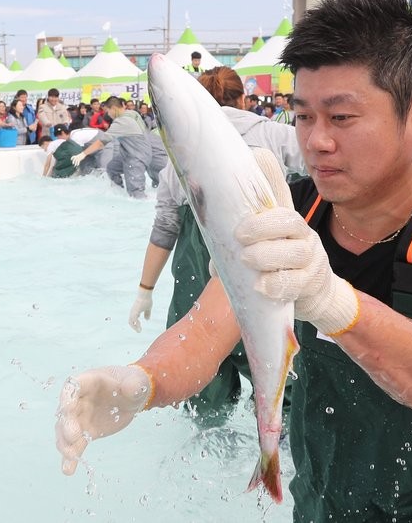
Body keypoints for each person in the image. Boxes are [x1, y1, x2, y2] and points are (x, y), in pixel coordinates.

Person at [57, 0, 412, 522]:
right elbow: (206, 331)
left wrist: (332, 300)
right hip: (324, 495)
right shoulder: (290, 213)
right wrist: (140, 382)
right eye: (304, 116)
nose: (316, 141)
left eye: (341, 118)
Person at [127, 65, 306, 421]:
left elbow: (165, 227)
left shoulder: (180, 151)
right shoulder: (275, 134)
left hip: (198, 276)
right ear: (243, 98)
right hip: (267, 269)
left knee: (204, 392)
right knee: (280, 381)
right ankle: (276, 446)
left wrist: (144, 290)